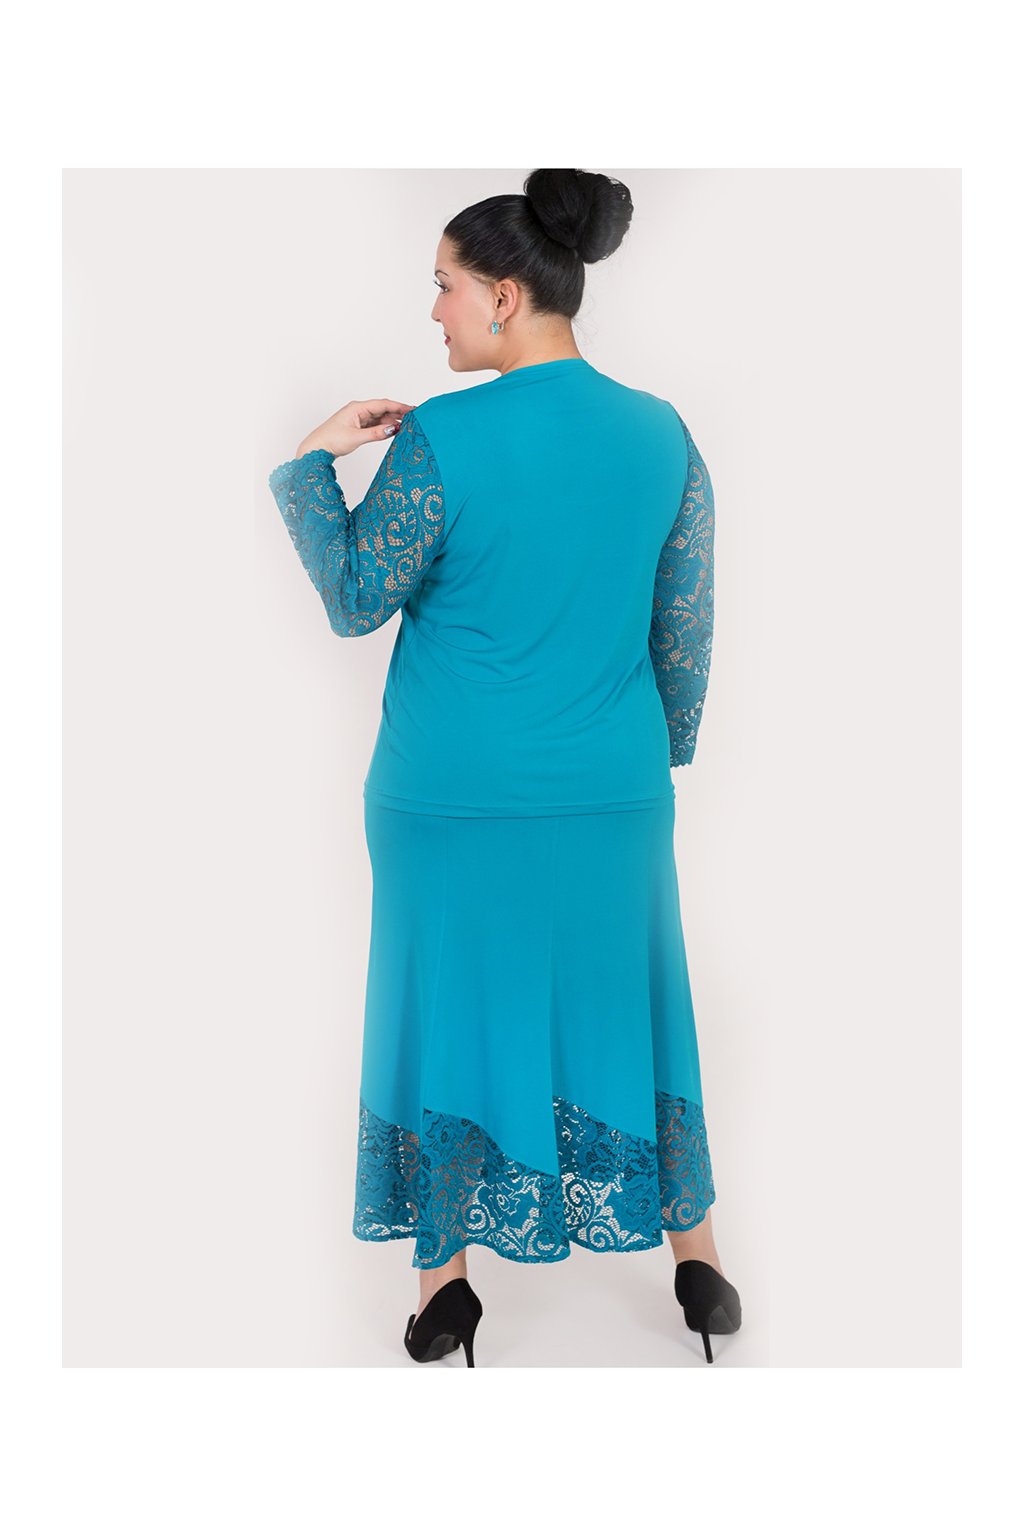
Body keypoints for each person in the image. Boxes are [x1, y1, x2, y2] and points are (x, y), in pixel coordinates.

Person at [267, 168, 742, 1367]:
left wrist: (310, 465)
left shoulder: (444, 438)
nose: (432, 310)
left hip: (452, 796)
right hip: (611, 791)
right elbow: (682, 629)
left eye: (443, 286)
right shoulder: (662, 433)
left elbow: (356, 598)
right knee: (635, 1000)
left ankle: (445, 1289)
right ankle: (698, 1266)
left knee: (448, 1012)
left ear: (504, 296)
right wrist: (654, 760)